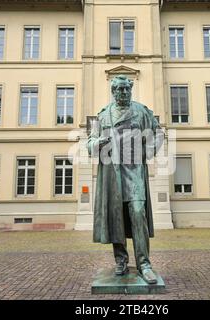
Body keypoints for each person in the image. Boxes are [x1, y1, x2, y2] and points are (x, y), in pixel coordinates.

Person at [87, 75, 164, 284]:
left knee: (138, 212)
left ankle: (144, 264)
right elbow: (89, 144)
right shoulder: (103, 116)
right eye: (119, 89)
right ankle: (120, 259)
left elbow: (159, 133)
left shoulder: (141, 111)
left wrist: (148, 151)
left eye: (126, 89)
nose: (123, 92)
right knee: (116, 215)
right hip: (112, 172)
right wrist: (99, 142)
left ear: (130, 90)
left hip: (135, 170)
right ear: (113, 91)